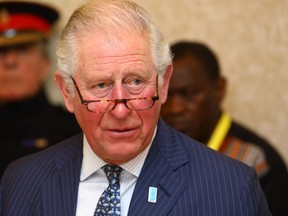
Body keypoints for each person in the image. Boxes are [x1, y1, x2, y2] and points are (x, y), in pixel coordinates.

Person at [0, 1, 271, 215]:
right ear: (67, 92)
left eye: (136, 82)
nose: (120, 110)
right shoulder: (21, 181)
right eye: (100, 85)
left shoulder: (230, 187)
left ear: (163, 84)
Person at [161, 41, 288, 216]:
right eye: (166, 94)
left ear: (219, 88)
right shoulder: (155, 148)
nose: (175, 108)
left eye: (188, 93)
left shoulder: (256, 159)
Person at [0, 1, 81, 178]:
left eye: (22, 49)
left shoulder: (74, 130)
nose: (10, 62)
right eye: (1, 51)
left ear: (45, 63)